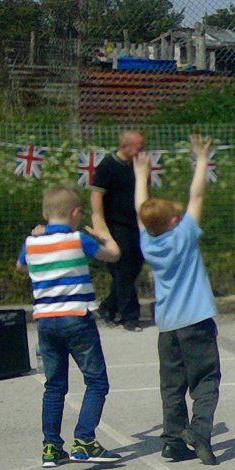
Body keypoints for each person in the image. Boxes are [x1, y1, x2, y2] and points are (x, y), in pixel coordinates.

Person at [21, 185, 124, 467]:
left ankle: (51, 446)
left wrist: (36, 237)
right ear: (75, 213)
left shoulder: (31, 244)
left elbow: (21, 266)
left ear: (45, 213)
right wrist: (102, 235)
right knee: (96, 380)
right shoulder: (78, 239)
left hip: (45, 321)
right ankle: (84, 439)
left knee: (54, 386)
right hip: (76, 317)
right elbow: (114, 253)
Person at [134, 136, 222, 464]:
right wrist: (201, 159)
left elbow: (140, 209)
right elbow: (196, 194)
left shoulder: (147, 242)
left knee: (172, 385)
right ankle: (200, 433)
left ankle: (172, 440)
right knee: (206, 380)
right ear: (173, 221)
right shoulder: (183, 234)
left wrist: (141, 175)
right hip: (196, 321)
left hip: (167, 325)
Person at [89, 129, 146, 330]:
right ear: (125, 147)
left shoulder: (137, 167)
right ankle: (130, 316)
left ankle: (108, 307)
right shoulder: (107, 166)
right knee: (123, 268)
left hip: (137, 224)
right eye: (139, 146)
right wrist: (100, 227)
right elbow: (96, 198)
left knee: (135, 266)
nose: (143, 149)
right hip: (115, 225)